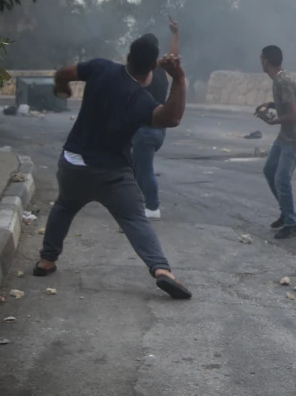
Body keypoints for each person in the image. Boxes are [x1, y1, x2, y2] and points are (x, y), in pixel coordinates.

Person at [34, 35, 192, 300]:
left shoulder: (101, 68)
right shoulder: (139, 98)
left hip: (73, 162)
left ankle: (46, 261)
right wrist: (178, 78)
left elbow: (64, 73)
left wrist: (63, 89)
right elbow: (172, 118)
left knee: (64, 206)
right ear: (152, 68)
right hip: (111, 173)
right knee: (134, 219)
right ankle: (162, 270)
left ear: (128, 57)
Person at [254, 45, 296, 240]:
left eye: (261, 58)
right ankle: (287, 212)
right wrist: (269, 105)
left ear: (266, 61)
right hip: (285, 134)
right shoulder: (279, 79)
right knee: (269, 170)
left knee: (281, 178)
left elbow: (293, 114)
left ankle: (291, 224)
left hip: (294, 136)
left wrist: (272, 121)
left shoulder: (283, 81)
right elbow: (287, 104)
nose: (260, 61)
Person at [131, 15, 180, 220]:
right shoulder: (162, 70)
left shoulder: (142, 72)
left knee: (144, 170)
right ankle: (140, 202)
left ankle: (152, 207)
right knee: (137, 167)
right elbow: (174, 55)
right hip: (159, 130)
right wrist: (176, 34)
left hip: (146, 129)